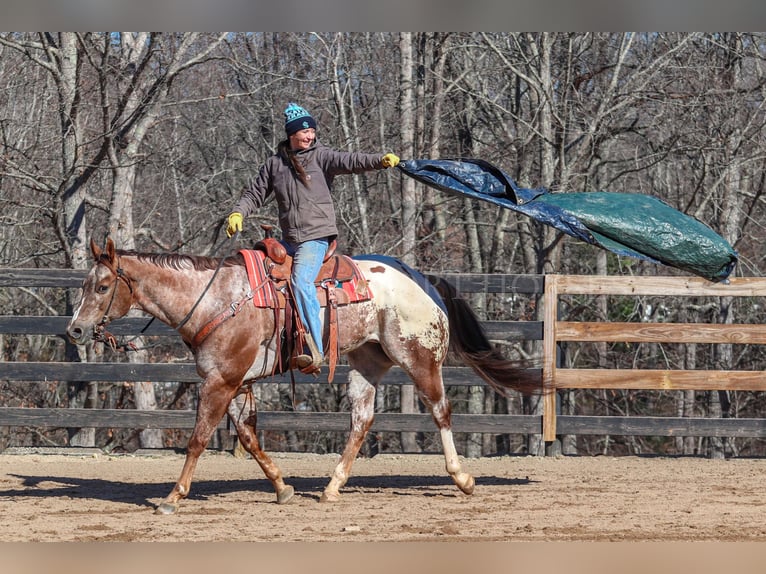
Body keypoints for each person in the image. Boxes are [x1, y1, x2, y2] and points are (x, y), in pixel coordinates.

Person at [226, 102, 400, 373]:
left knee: (301, 280)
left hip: (316, 237)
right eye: (304, 132)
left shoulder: (322, 157)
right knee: (257, 271)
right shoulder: (275, 165)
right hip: (290, 239)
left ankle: (313, 346)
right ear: (291, 134)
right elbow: (254, 194)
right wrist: (238, 213)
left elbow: (351, 161)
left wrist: (379, 160)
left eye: (312, 132)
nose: (309, 136)